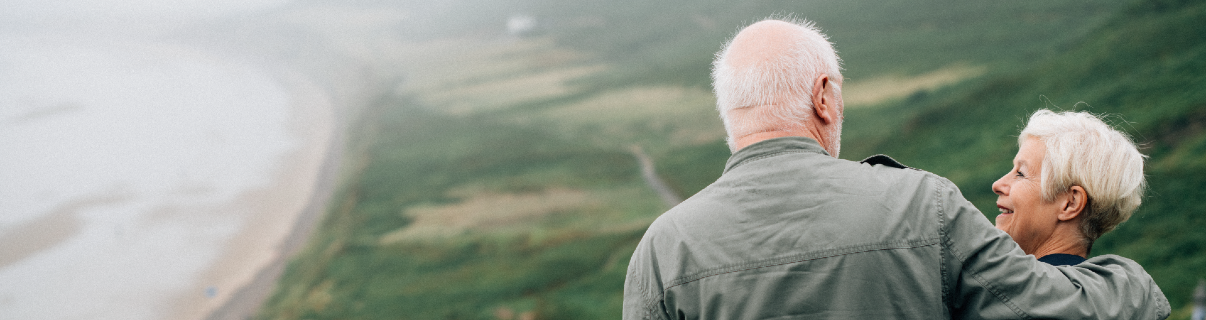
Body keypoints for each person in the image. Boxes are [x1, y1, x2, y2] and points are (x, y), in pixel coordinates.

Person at [622, 18, 1170, 319]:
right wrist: (1133, 282)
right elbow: (1051, 308)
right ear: (823, 97)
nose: (1002, 183)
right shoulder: (920, 205)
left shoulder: (661, 249)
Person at [991, 110, 1146, 266]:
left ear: (1070, 203)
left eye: (1020, 173)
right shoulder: (1116, 286)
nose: (997, 185)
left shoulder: (1023, 288)